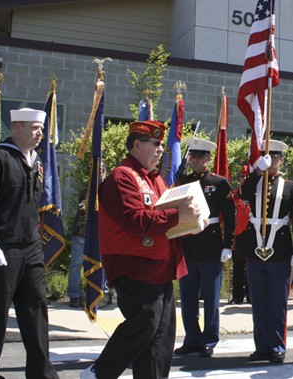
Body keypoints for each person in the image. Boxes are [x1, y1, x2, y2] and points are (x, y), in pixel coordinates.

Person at [80, 120, 202, 379]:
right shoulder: (121, 176)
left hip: (161, 265)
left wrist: (189, 220)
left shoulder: (156, 179)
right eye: (155, 144)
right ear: (136, 145)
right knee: (144, 323)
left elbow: (164, 215)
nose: (160, 150)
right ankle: (100, 372)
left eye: (161, 145)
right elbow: (134, 220)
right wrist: (178, 216)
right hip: (135, 266)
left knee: (161, 338)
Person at [0, 108, 59, 378]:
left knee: (36, 309)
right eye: (34, 128)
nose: (40, 134)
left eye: (41, 129)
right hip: (2, 246)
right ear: (17, 128)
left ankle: (41, 372)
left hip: (30, 245)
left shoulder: (35, 160)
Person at [235, 139, 293, 364]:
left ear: (281, 160)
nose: (272, 160)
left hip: (280, 251)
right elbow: (242, 195)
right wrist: (257, 171)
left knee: (277, 304)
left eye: (275, 157)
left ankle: (276, 346)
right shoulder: (255, 182)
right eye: (268, 157)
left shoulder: (291, 187)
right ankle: (261, 346)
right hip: (255, 251)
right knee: (258, 302)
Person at [173, 137, 235, 358]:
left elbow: (230, 216)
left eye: (200, 156)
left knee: (211, 299)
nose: (195, 160)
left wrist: (227, 245)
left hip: (211, 248)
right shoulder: (183, 181)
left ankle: (208, 340)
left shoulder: (219, 183)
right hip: (188, 246)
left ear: (209, 158)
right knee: (188, 298)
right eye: (192, 156)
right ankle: (191, 339)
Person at [67, 161, 107, 309]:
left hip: (100, 234)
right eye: (96, 170)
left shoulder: (108, 187)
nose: (99, 172)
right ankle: (74, 295)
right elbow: (84, 205)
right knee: (76, 265)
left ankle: (101, 293)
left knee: (100, 265)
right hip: (81, 233)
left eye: (101, 170)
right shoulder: (86, 187)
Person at [231, 165, 251, 305]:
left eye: (246, 176)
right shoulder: (234, 195)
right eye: (242, 176)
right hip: (237, 235)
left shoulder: (257, 193)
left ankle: (251, 296)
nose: (244, 179)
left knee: (250, 268)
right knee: (237, 267)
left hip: (250, 235)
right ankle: (237, 296)